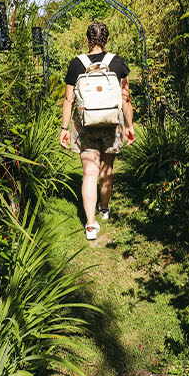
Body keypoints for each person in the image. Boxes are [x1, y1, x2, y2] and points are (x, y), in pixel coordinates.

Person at [59, 21, 135, 240]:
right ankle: (104, 209)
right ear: (107, 40)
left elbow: (68, 99)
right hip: (112, 124)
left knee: (90, 173)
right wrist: (129, 126)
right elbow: (125, 98)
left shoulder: (76, 64)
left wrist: (65, 128)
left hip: (85, 125)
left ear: (87, 40)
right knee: (107, 169)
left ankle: (90, 225)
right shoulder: (117, 63)